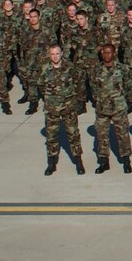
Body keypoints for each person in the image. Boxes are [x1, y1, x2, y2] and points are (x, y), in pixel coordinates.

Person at [40, 44, 84, 176]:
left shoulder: (70, 67)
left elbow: (78, 82)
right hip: (51, 108)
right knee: (51, 136)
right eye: (52, 54)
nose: (55, 56)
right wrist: (49, 99)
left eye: (57, 54)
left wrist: (73, 99)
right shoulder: (45, 68)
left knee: (73, 135)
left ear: (62, 54)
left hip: (68, 107)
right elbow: (41, 85)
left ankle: (78, 161)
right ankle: (51, 162)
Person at [89, 44, 132, 173]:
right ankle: (104, 161)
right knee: (101, 135)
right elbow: (93, 87)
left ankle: (126, 160)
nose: (106, 55)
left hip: (119, 107)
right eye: (104, 52)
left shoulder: (122, 68)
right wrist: (99, 99)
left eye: (109, 52)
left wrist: (129, 101)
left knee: (123, 134)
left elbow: (129, 86)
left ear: (114, 53)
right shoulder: (96, 69)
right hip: (102, 108)